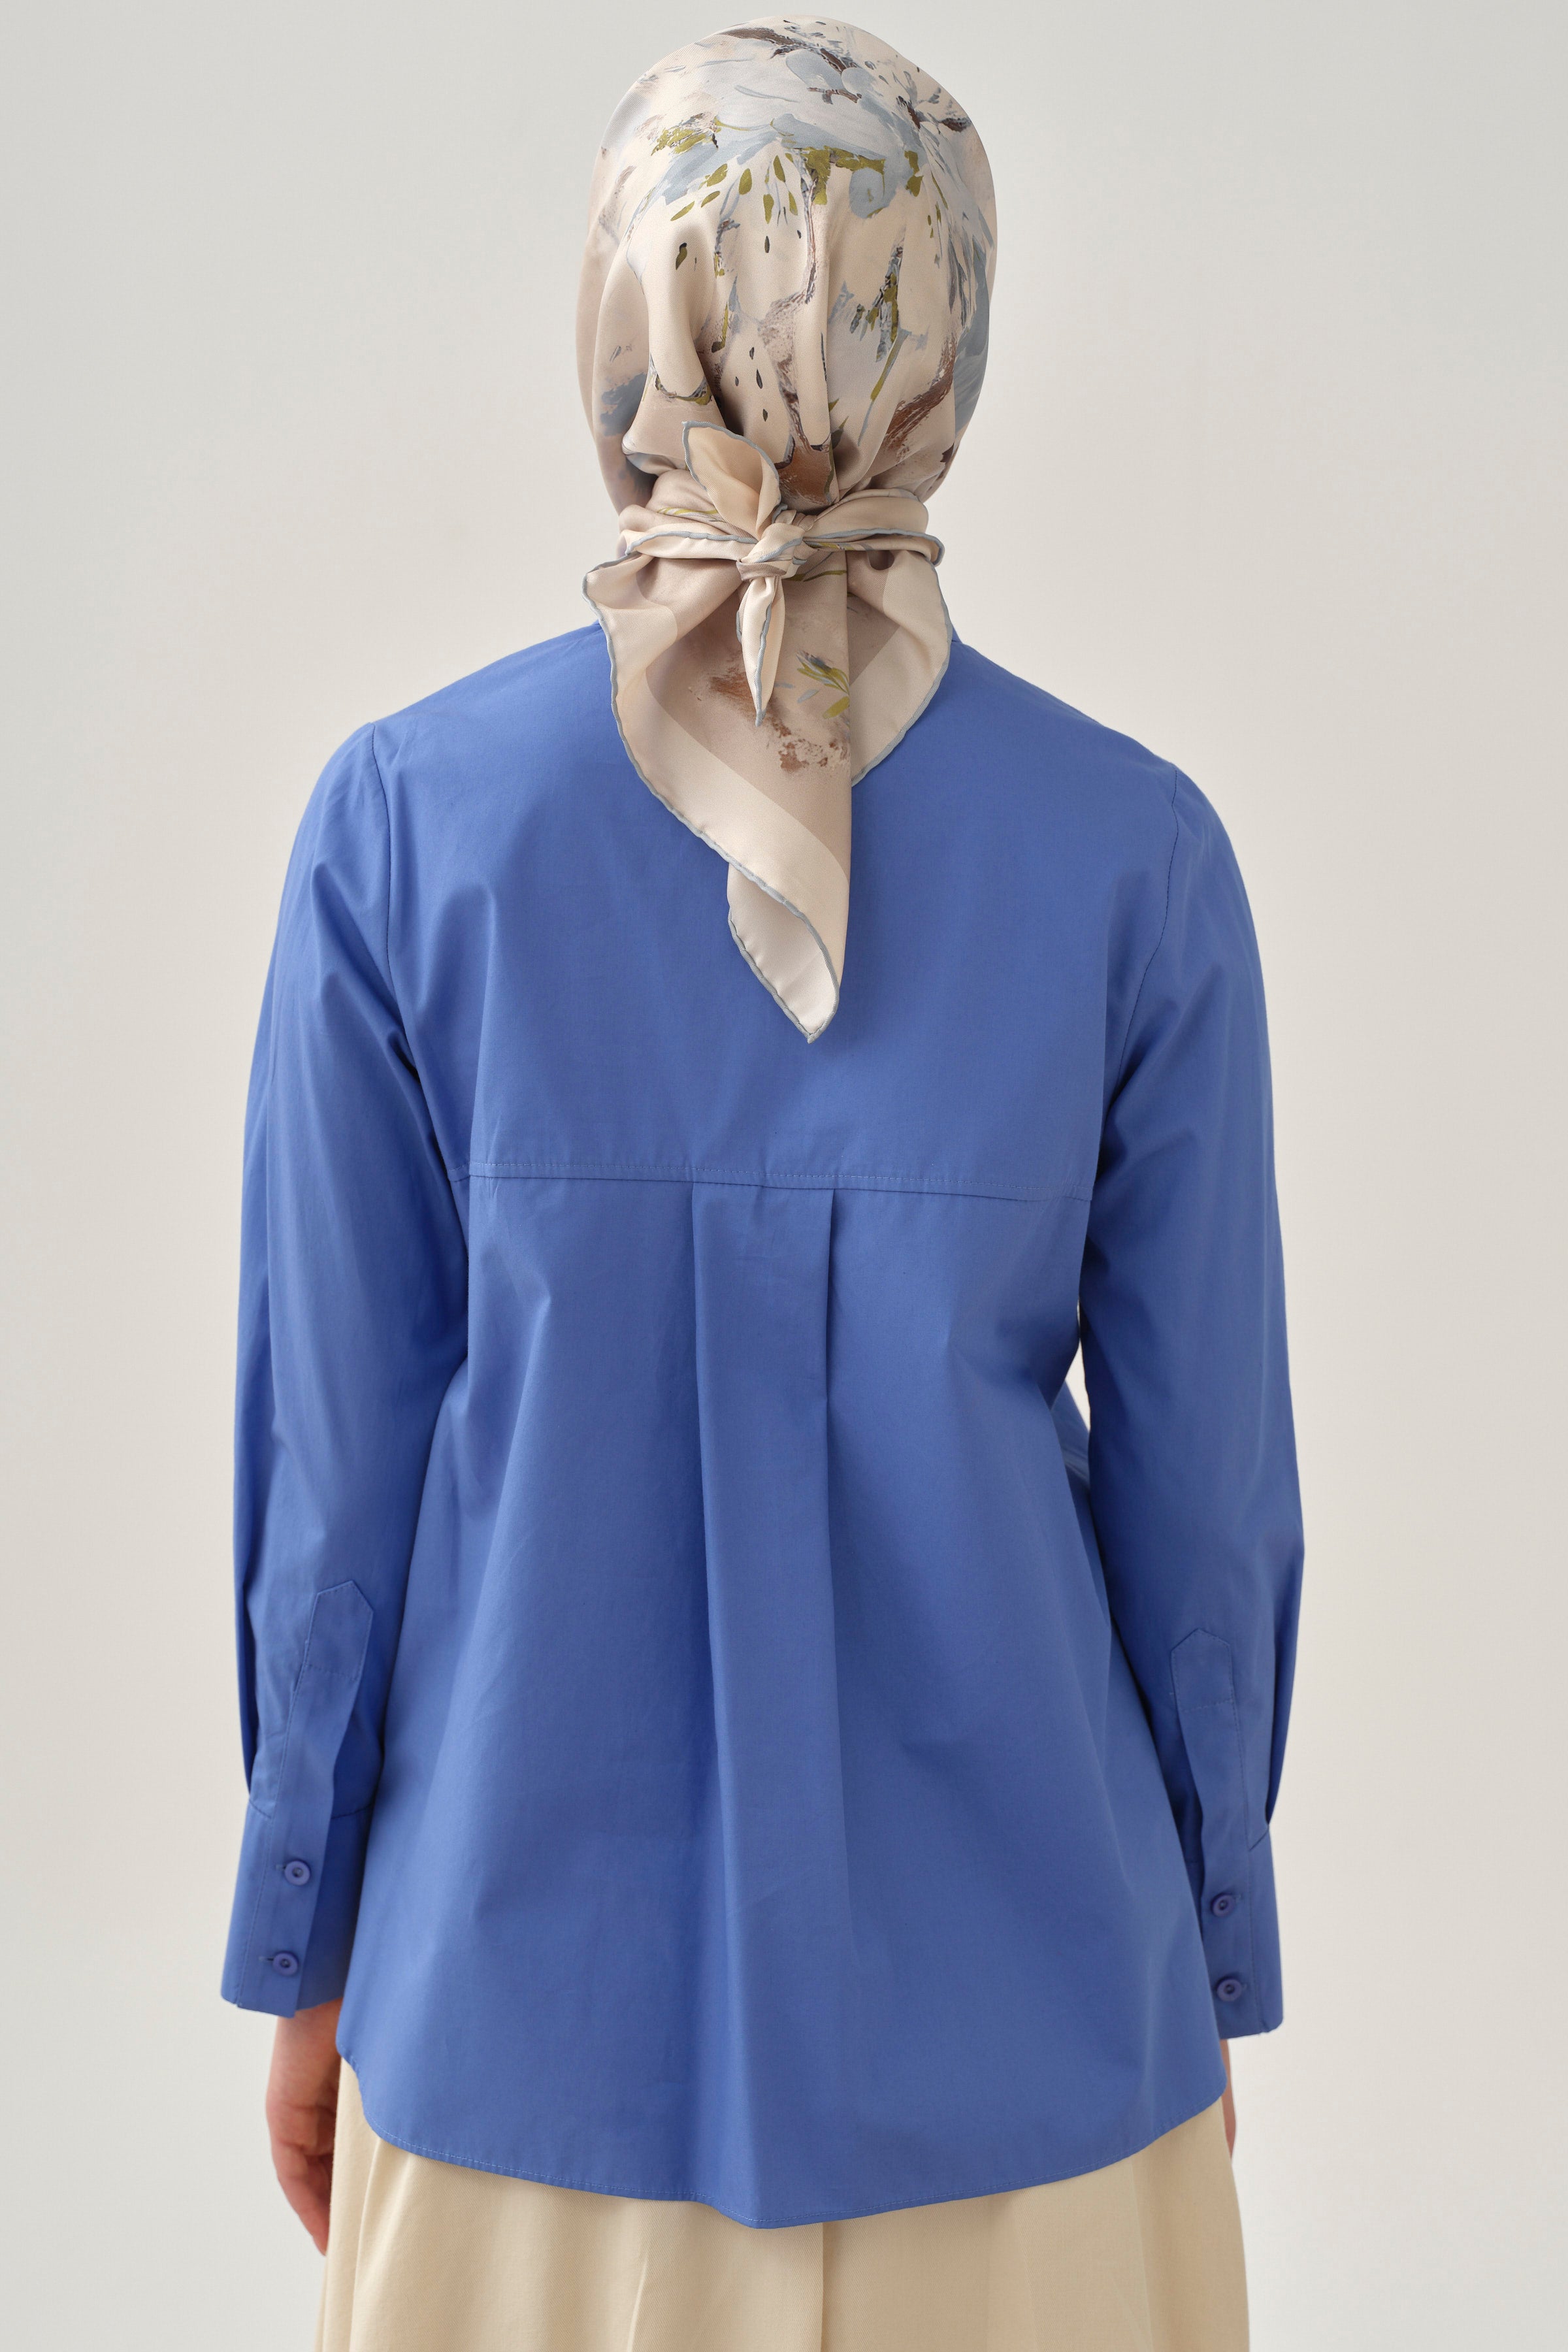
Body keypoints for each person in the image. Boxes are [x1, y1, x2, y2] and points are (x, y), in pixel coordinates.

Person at [223, 19, 1302, 2350]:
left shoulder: (403, 830)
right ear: (951, 336)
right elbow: (1207, 1511)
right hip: (1043, 2059)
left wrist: (303, 1941)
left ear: (626, 313)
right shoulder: (1139, 860)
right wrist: (1205, 1953)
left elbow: (339, 1483)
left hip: (511, 2048)